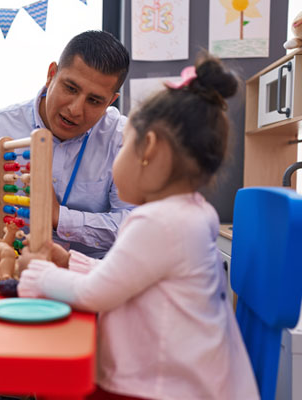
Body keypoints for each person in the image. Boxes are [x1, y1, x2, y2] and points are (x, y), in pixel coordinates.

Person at [17, 54, 260, 399]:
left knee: (53, 383)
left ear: (147, 149)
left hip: (159, 388)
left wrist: (37, 272)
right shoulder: (193, 213)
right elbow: (129, 275)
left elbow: (95, 294)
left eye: (124, 144)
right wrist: (70, 260)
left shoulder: (157, 222)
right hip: (191, 381)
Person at [0, 30, 133, 259]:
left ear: (110, 101)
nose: (75, 109)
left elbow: (135, 223)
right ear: (51, 75)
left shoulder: (124, 139)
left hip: (93, 273)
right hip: (13, 265)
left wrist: (59, 216)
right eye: (70, 88)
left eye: (94, 100)